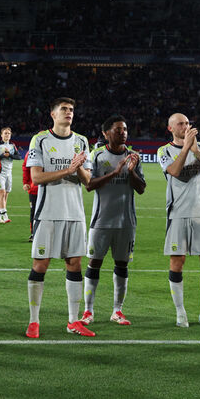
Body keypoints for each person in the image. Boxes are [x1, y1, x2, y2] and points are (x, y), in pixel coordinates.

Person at [25, 98, 94, 338]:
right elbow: (36, 178)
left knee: (74, 264)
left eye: (72, 110)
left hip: (74, 213)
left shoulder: (82, 141)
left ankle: (73, 321)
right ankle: (34, 321)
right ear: (52, 114)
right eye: (64, 109)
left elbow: (88, 182)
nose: (69, 113)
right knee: (40, 264)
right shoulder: (40, 139)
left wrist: (79, 169)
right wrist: (69, 169)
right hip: (48, 212)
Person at [157, 113, 200, 328]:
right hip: (177, 213)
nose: (185, 126)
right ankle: (180, 313)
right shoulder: (164, 151)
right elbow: (175, 172)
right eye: (181, 123)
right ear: (170, 128)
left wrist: (196, 150)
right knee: (177, 264)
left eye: (187, 123)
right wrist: (187, 148)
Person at [82, 115, 146, 326]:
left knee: (122, 265)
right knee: (94, 263)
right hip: (101, 221)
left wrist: (130, 173)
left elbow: (141, 188)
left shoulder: (134, 157)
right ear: (106, 133)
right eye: (118, 130)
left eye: (125, 129)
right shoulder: (98, 155)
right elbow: (90, 185)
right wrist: (115, 172)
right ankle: (88, 311)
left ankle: (117, 311)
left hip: (126, 222)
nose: (123, 133)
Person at [0, 127, 23, 223]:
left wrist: (10, 155)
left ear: (10, 135)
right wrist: (2, 156)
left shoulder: (12, 145)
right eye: (5, 133)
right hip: (0, 172)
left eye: (8, 133)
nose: (7, 135)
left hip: (9, 173)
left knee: (6, 195)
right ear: (1, 135)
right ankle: (5, 215)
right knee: (2, 193)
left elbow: (19, 157)